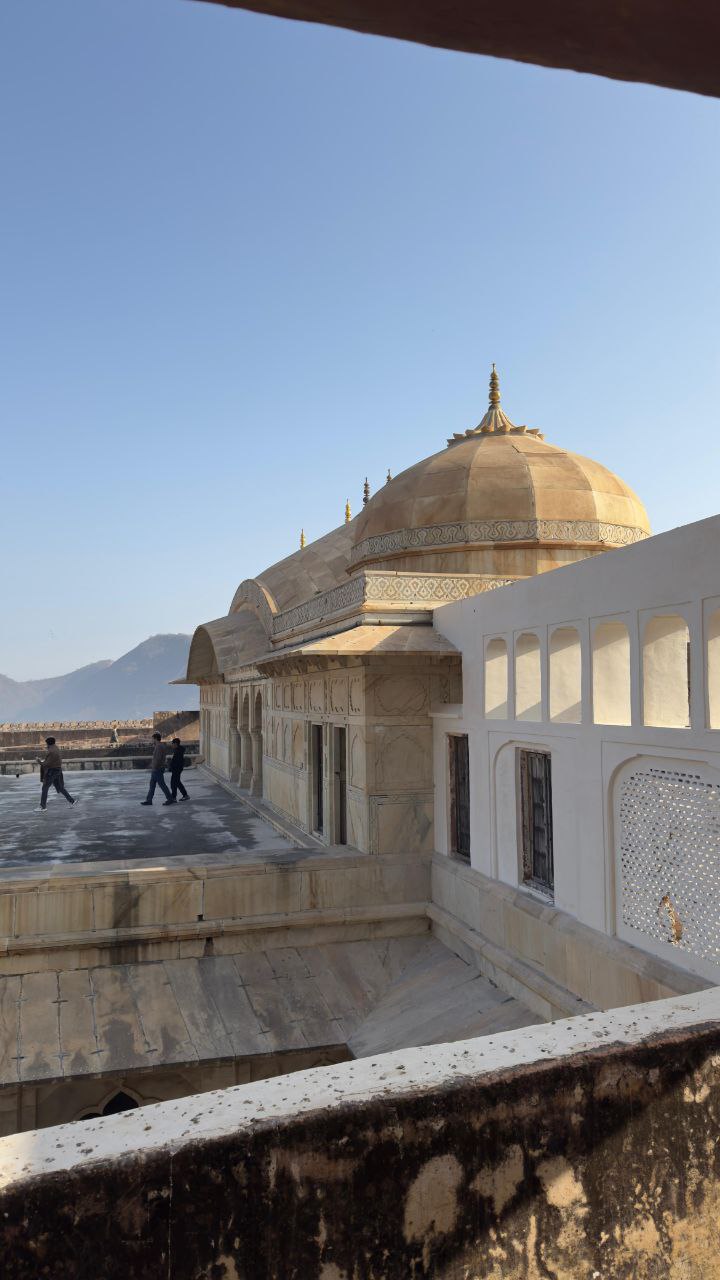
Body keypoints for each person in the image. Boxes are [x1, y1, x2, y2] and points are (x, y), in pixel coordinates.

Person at [37, 737, 76, 811]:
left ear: (48, 743)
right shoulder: (56, 748)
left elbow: (46, 764)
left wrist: (39, 761)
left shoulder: (51, 751)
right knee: (60, 788)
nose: (46, 745)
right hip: (58, 770)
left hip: (52, 771)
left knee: (45, 788)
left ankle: (43, 807)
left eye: (46, 743)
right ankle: (72, 801)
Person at [140, 733, 172, 805]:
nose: (152, 740)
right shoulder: (160, 746)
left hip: (157, 769)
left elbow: (158, 758)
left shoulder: (159, 746)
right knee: (152, 785)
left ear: (155, 738)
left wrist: (154, 766)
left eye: (152, 739)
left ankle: (170, 799)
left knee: (162, 785)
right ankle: (149, 800)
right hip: (156, 769)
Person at [167, 738, 189, 803]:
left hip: (177, 769)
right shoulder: (178, 750)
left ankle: (175, 797)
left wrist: (172, 767)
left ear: (176, 744)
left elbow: (177, 761)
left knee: (174, 783)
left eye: (172, 743)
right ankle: (183, 795)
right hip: (176, 769)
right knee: (177, 782)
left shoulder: (178, 751)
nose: (172, 745)